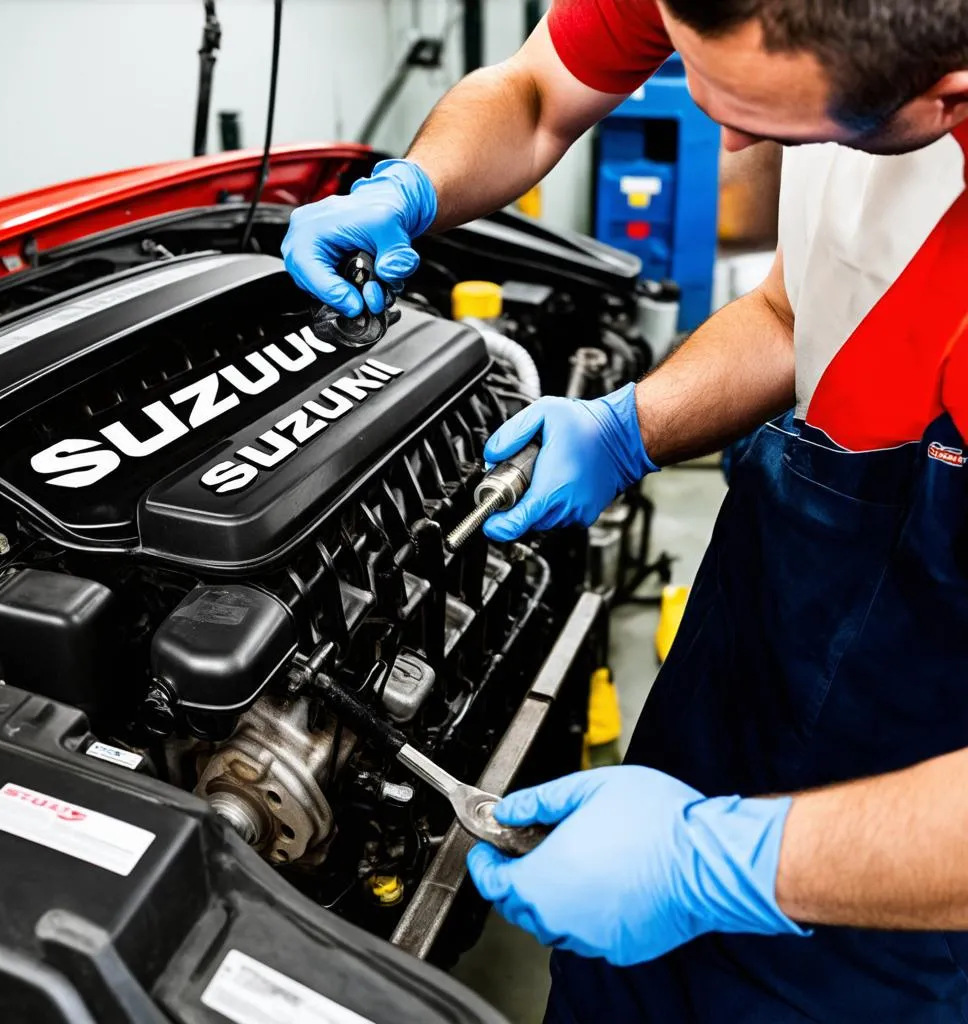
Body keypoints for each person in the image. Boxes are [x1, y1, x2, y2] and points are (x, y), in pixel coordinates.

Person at [280, 1, 968, 1020]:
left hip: (919, 784)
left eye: (772, 123)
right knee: (618, 975)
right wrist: (625, 424)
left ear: (944, 92)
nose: (719, 134)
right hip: (781, 596)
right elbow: (790, 310)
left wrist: (719, 864)